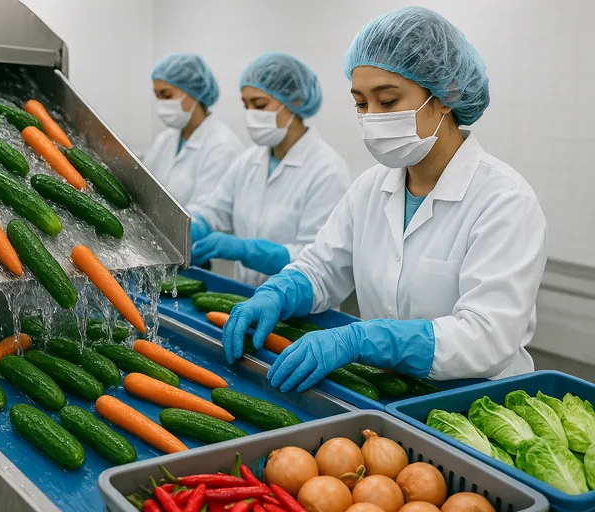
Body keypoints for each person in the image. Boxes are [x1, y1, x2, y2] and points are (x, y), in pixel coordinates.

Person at [222, 7, 547, 389]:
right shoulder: (370, 188)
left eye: (388, 101)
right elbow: (324, 266)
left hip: (477, 404)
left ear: (447, 96)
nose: (372, 117)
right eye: (361, 103)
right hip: (388, 395)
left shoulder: (504, 201)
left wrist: (363, 339)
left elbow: (487, 338)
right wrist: (279, 292)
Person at [188, 53, 351, 286]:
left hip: (300, 309)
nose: (251, 114)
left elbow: (319, 259)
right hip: (246, 295)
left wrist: (248, 251)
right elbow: (216, 208)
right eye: (246, 106)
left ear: (295, 101)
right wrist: (194, 224)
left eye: (260, 105)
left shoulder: (327, 171)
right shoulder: (249, 160)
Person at [143, 53, 243, 206]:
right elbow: (144, 185)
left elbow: (209, 212)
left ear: (194, 92)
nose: (161, 103)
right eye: (158, 96)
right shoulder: (166, 139)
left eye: (167, 95)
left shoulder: (223, 147)